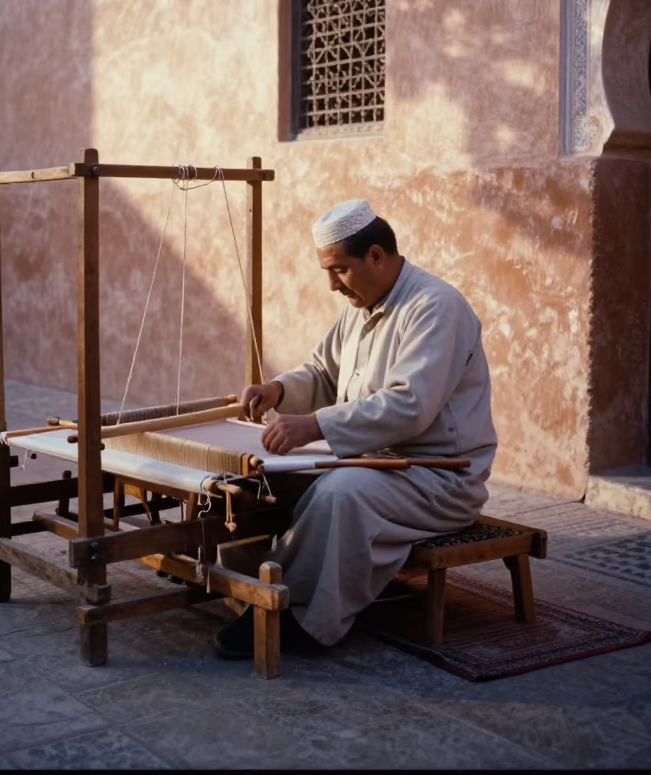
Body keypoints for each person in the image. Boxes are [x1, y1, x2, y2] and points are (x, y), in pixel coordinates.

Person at [212, 199, 498, 658]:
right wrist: (278, 390)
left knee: (339, 494)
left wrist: (314, 425)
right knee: (262, 483)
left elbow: (410, 406)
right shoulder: (360, 305)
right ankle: (247, 582)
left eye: (339, 270)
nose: (331, 284)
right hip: (375, 460)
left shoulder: (436, 307)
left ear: (377, 256)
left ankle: (296, 617)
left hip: (440, 475)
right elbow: (324, 373)